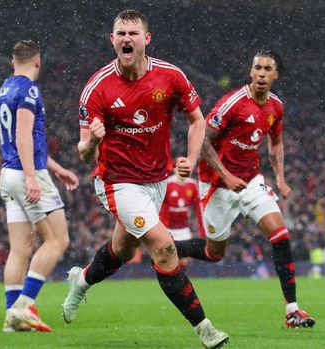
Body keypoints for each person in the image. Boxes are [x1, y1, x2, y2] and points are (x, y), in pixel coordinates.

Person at [62, 10, 229, 349]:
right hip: (116, 181)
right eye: (120, 33)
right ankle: (205, 329)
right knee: (163, 247)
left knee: (122, 250)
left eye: (133, 33)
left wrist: (192, 159)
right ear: (112, 39)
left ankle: (81, 281)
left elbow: (198, 121)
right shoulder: (97, 88)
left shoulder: (170, 76)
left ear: (146, 39)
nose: (127, 38)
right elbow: (83, 153)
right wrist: (93, 140)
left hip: (158, 180)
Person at [174, 50, 316, 328]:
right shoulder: (232, 104)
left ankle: (292, 310)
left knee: (280, 234)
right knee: (215, 253)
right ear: (250, 73)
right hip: (217, 183)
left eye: (267, 69)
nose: (262, 73)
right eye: (257, 68)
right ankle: (170, 246)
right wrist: (225, 175)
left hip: (251, 181)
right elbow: (202, 139)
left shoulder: (276, 107)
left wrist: (281, 178)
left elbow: (275, 144)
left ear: (276, 76)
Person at [0, 40, 80, 332]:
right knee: (58, 240)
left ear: (12, 61)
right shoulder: (29, 89)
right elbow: (23, 136)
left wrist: (55, 169)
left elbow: (21, 138)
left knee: (20, 249)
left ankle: (11, 318)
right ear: (38, 62)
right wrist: (33, 177)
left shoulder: (5, 88)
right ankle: (24, 305)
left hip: (8, 173)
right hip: (24, 173)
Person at [159, 163, 203, 269]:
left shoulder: (192, 185)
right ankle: (171, 280)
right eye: (180, 167)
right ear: (174, 169)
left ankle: (180, 282)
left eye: (185, 167)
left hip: (183, 229)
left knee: (183, 260)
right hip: (167, 228)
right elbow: (158, 204)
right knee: (167, 258)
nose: (182, 170)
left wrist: (202, 229)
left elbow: (199, 208)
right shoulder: (168, 184)